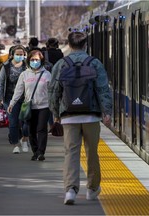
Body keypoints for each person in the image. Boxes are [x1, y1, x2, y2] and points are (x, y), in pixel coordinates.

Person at [48, 31, 112, 204]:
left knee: (71, 153)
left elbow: (54, 90)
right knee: (92, 152)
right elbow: (103, 89)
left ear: (69, 45)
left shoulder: (61, 64)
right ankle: (92, 189)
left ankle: (70, 190)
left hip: (68, 116)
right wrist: (107, 112)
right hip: (91, 116)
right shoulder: (95, 63)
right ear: (85, 45)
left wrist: (55, 114)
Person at [8, 50, 52, 161]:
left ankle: (41, 152)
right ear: (28, 60)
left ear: (41, 61)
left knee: (41, 129)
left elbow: (52, 91)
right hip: (30, 107)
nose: (34, 62)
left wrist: (55, 106)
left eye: (37, 60)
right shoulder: (24, 74)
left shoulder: (47, 74)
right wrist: (12, 103)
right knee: (31, 130)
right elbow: (18, 90)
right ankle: (35, 151)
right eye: (32, 60)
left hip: (44, 106)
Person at [0, 45, 29, 154]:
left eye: (22, 54)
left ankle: (24, 139)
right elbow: (0, 83)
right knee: (13, 122)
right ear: (12, 55)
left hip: (24, 98)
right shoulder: (6, 67)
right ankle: (15, 144)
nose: (20, 56)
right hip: (9, 98)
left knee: (25, 121)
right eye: (17, 54)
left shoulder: (27, 66)